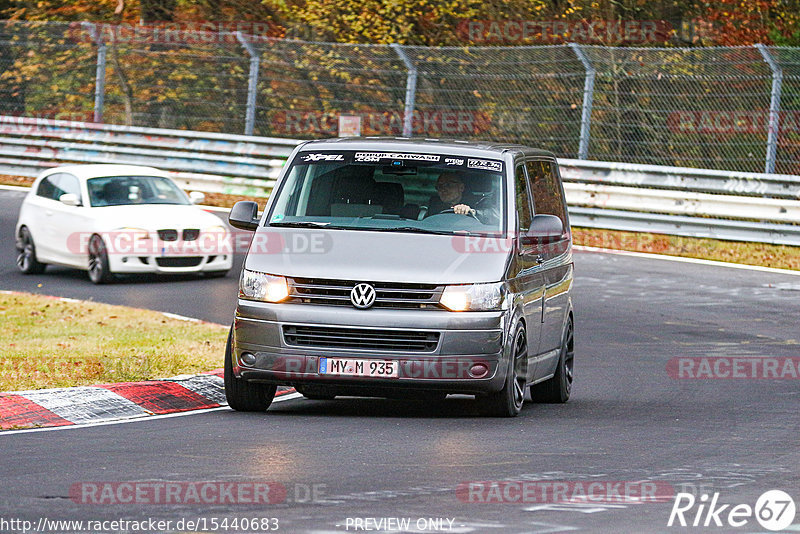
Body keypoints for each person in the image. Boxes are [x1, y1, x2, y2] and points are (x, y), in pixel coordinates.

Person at [427, 172, 498, 224]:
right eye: (440, 186)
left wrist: (472, 212)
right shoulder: (434, 204)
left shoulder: (481, 202)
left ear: (461, 187)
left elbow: (495, 218)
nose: (443, 189)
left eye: (448, 185)